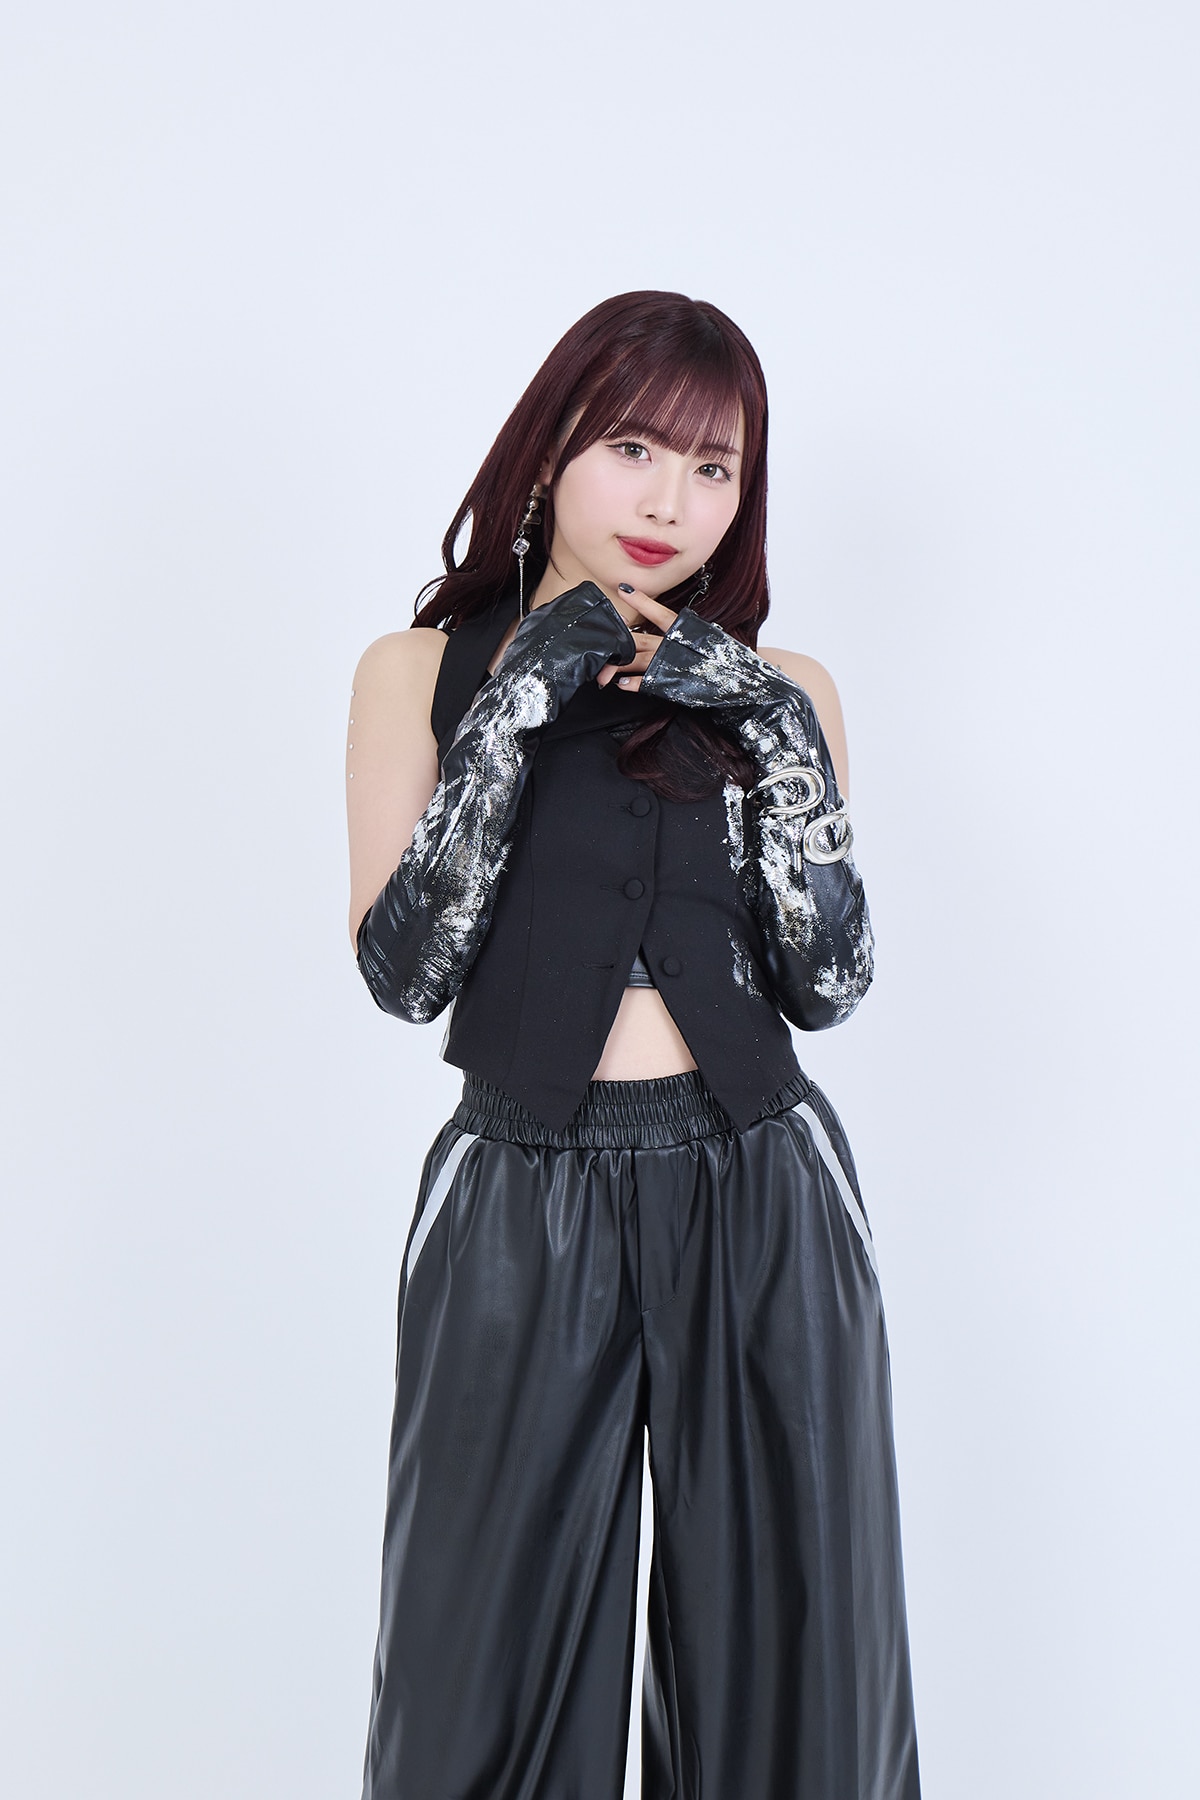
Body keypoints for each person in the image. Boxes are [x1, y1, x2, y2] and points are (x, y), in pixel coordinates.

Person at [345, 290, 921, 1800]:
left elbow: (830, 983)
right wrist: (516, 707)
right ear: (550, 454)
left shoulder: (785, 693)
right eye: (634, 449)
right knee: (476, 1668)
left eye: (715, 467)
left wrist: (772, 730)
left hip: (762, 1189)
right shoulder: (417, 674)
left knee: (798, 1660)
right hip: (519, 1194)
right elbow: (405, 972)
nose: (672, 502)